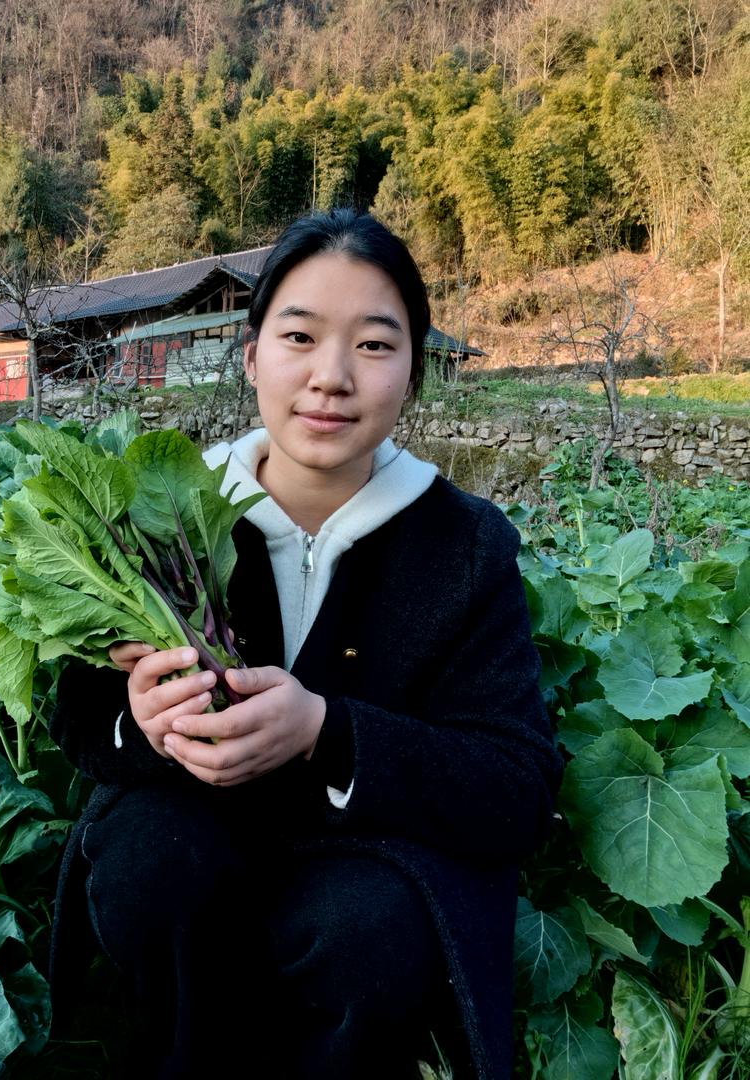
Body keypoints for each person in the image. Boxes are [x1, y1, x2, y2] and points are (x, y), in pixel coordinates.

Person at [47, 209, 563, 1079]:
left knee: (365, 928)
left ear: (414, 372)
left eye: (372, 345)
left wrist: (329, 732)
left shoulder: (465, 544)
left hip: (371, 853)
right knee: (148, 864)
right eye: (298, 336)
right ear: (250, 357)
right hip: (197, 828)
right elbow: (81, 718)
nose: (330, 378)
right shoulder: (161, 509)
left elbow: (516, 786)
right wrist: (141, 722)